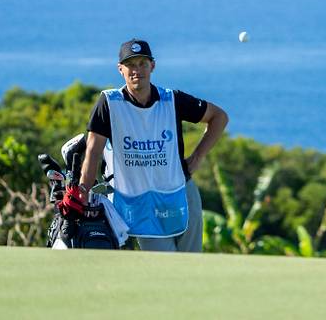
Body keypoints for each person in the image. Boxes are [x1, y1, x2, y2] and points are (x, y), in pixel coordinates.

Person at [67, 38, 228, 252]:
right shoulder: (109, 103)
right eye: (131, 64)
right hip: (138, 203)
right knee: (164, 267)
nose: (137, 70)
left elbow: (219, 117)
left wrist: (197, 158)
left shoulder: (172, 100)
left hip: (181, 193)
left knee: (191, 266)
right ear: (120, 69)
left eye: (143, 63)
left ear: (153, 66)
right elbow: (93, 153)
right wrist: (83, 192)